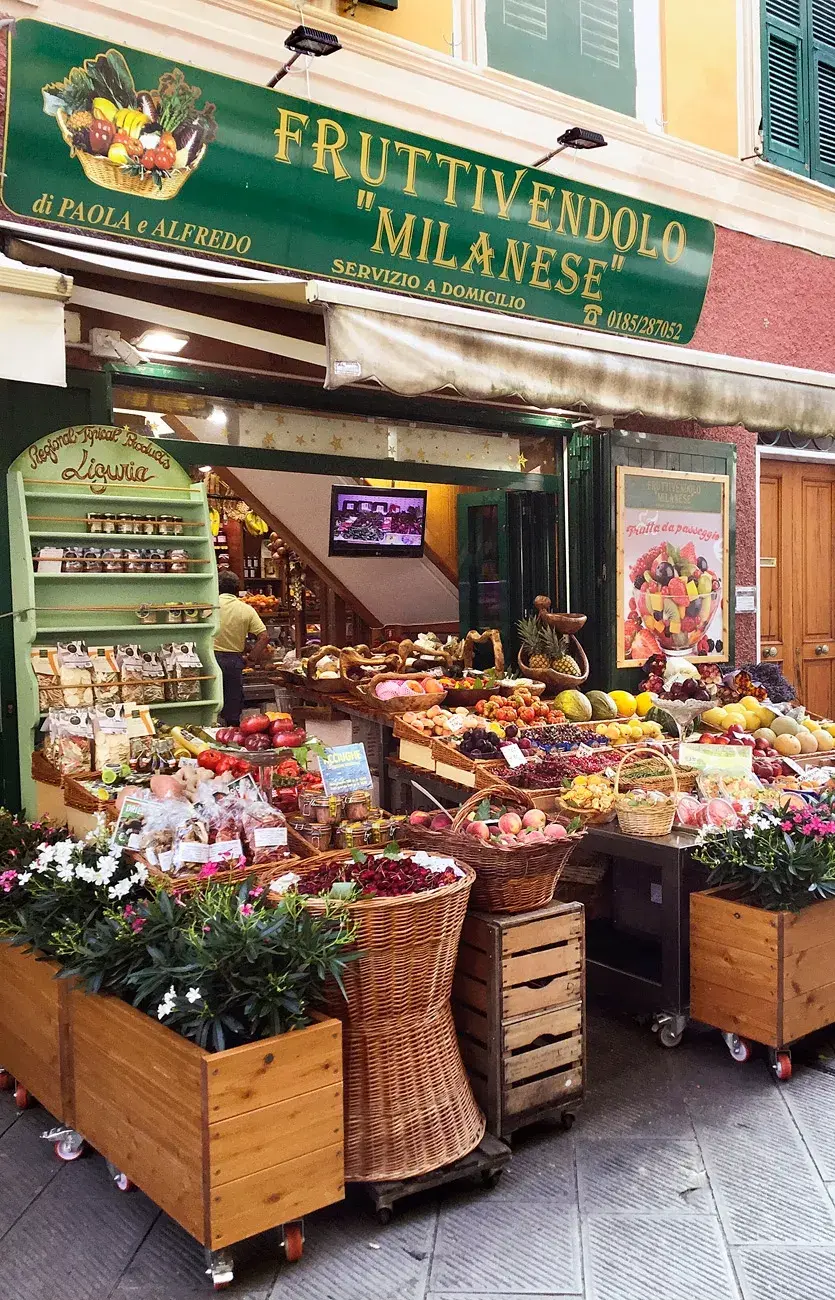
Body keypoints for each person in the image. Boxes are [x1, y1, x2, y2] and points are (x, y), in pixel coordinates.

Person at [213, 571, 270, 725]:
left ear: (216, 587)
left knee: (211, 703)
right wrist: (252, 657)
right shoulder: (246, 609)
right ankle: (232, 738)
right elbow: (264, 637)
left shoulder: (210, 607)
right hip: (233, 662)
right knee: (232, 707)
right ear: (237, 589)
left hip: (209, 659)